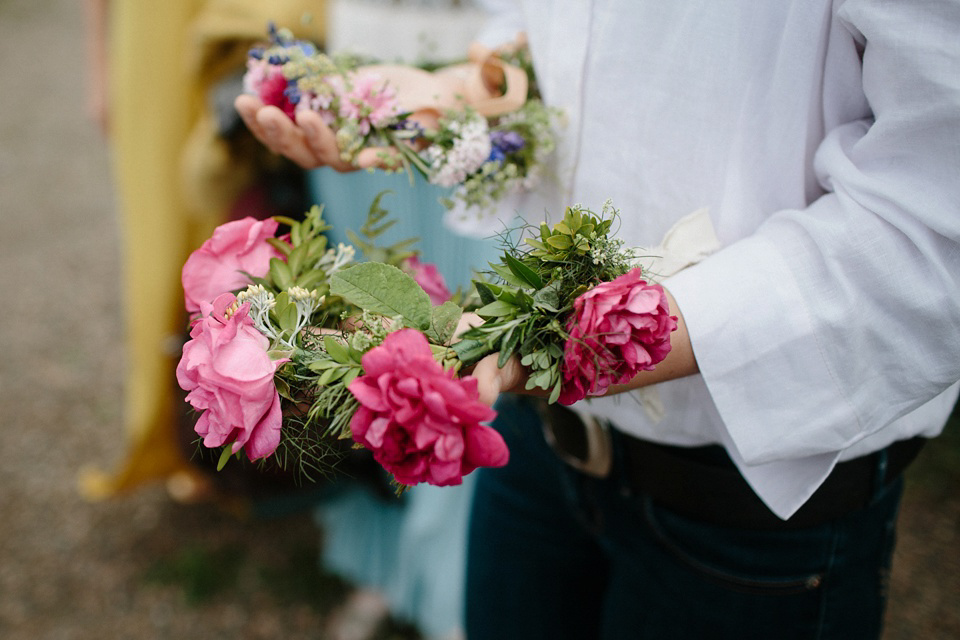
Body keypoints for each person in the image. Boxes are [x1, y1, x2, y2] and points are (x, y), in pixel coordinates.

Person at [235, 1, 960, 638]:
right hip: (538, 447)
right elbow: (552, 36)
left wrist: (569, 343)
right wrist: (451, 104)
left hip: (753, 502)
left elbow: (930, 222)